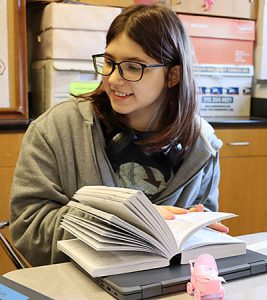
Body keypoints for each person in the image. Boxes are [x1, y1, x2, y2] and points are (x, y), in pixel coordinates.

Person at [9, 4, 228, 267]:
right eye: (110, 62)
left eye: (133, 67)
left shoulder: (202, 145)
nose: (113, 79)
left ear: (173, 76)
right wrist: (130, 221)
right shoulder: (56, 129)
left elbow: (204, 241)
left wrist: (200, 230)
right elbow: (30, 232)